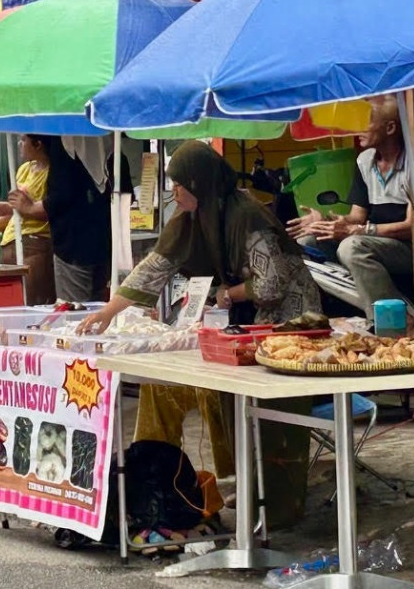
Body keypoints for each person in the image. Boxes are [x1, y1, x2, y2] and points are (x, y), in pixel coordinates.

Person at [80, 141, 321, 528]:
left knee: (271, 411)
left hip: (291, 324)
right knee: (220, 394)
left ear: (199, 182)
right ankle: (242, 482)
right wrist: (108, 312)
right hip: (249, 324)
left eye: (179, 184)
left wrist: (231, 293)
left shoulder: (246, 216)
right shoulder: (191, 218)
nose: (173, 191)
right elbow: (155, 266)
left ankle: (276, 504)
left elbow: (274, 282)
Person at [288, 96, 414, 324]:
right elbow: (357, 217)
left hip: (410, 247)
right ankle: (327, 315)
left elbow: (412, 227)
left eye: (365, 121)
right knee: (307, 242)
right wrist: (325, 221)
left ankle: (396, 321)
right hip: (373, 239)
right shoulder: (365, 161)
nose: (357, 129)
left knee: (351, 247)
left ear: (390, 127)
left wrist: (360, 231)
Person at [0, 135, 56, 306]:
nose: (19, 145)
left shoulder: (52, 173)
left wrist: (13, 208)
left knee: (33, 302)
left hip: (35, 245)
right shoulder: (24, 169)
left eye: (23, 141)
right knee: (12, 302)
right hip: (10, 243)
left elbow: (49, 211)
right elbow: (15, 210)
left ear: (38, 144)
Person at [41, 138, 113, 303]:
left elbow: (60, 196)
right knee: (96, 309)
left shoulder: (66, 149)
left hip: (73, 247)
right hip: (104, 245)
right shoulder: (109, 147)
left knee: (74, 312)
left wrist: (29, 207)